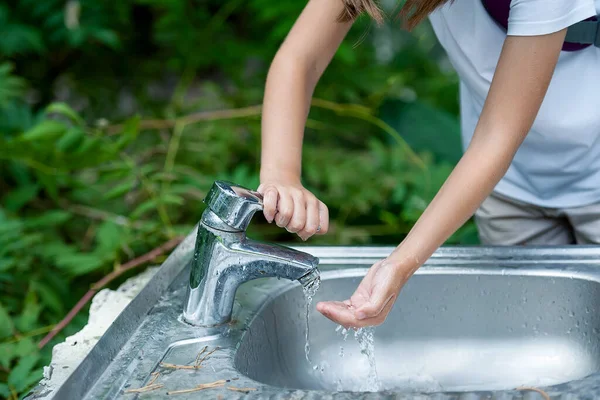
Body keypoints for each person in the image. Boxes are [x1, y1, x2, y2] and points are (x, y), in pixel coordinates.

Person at [256, 0, 600, 329]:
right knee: (538, 344)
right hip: (507, 186)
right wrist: (280, 175)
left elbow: (497, 136)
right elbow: (300, 59)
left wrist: (402, 263)